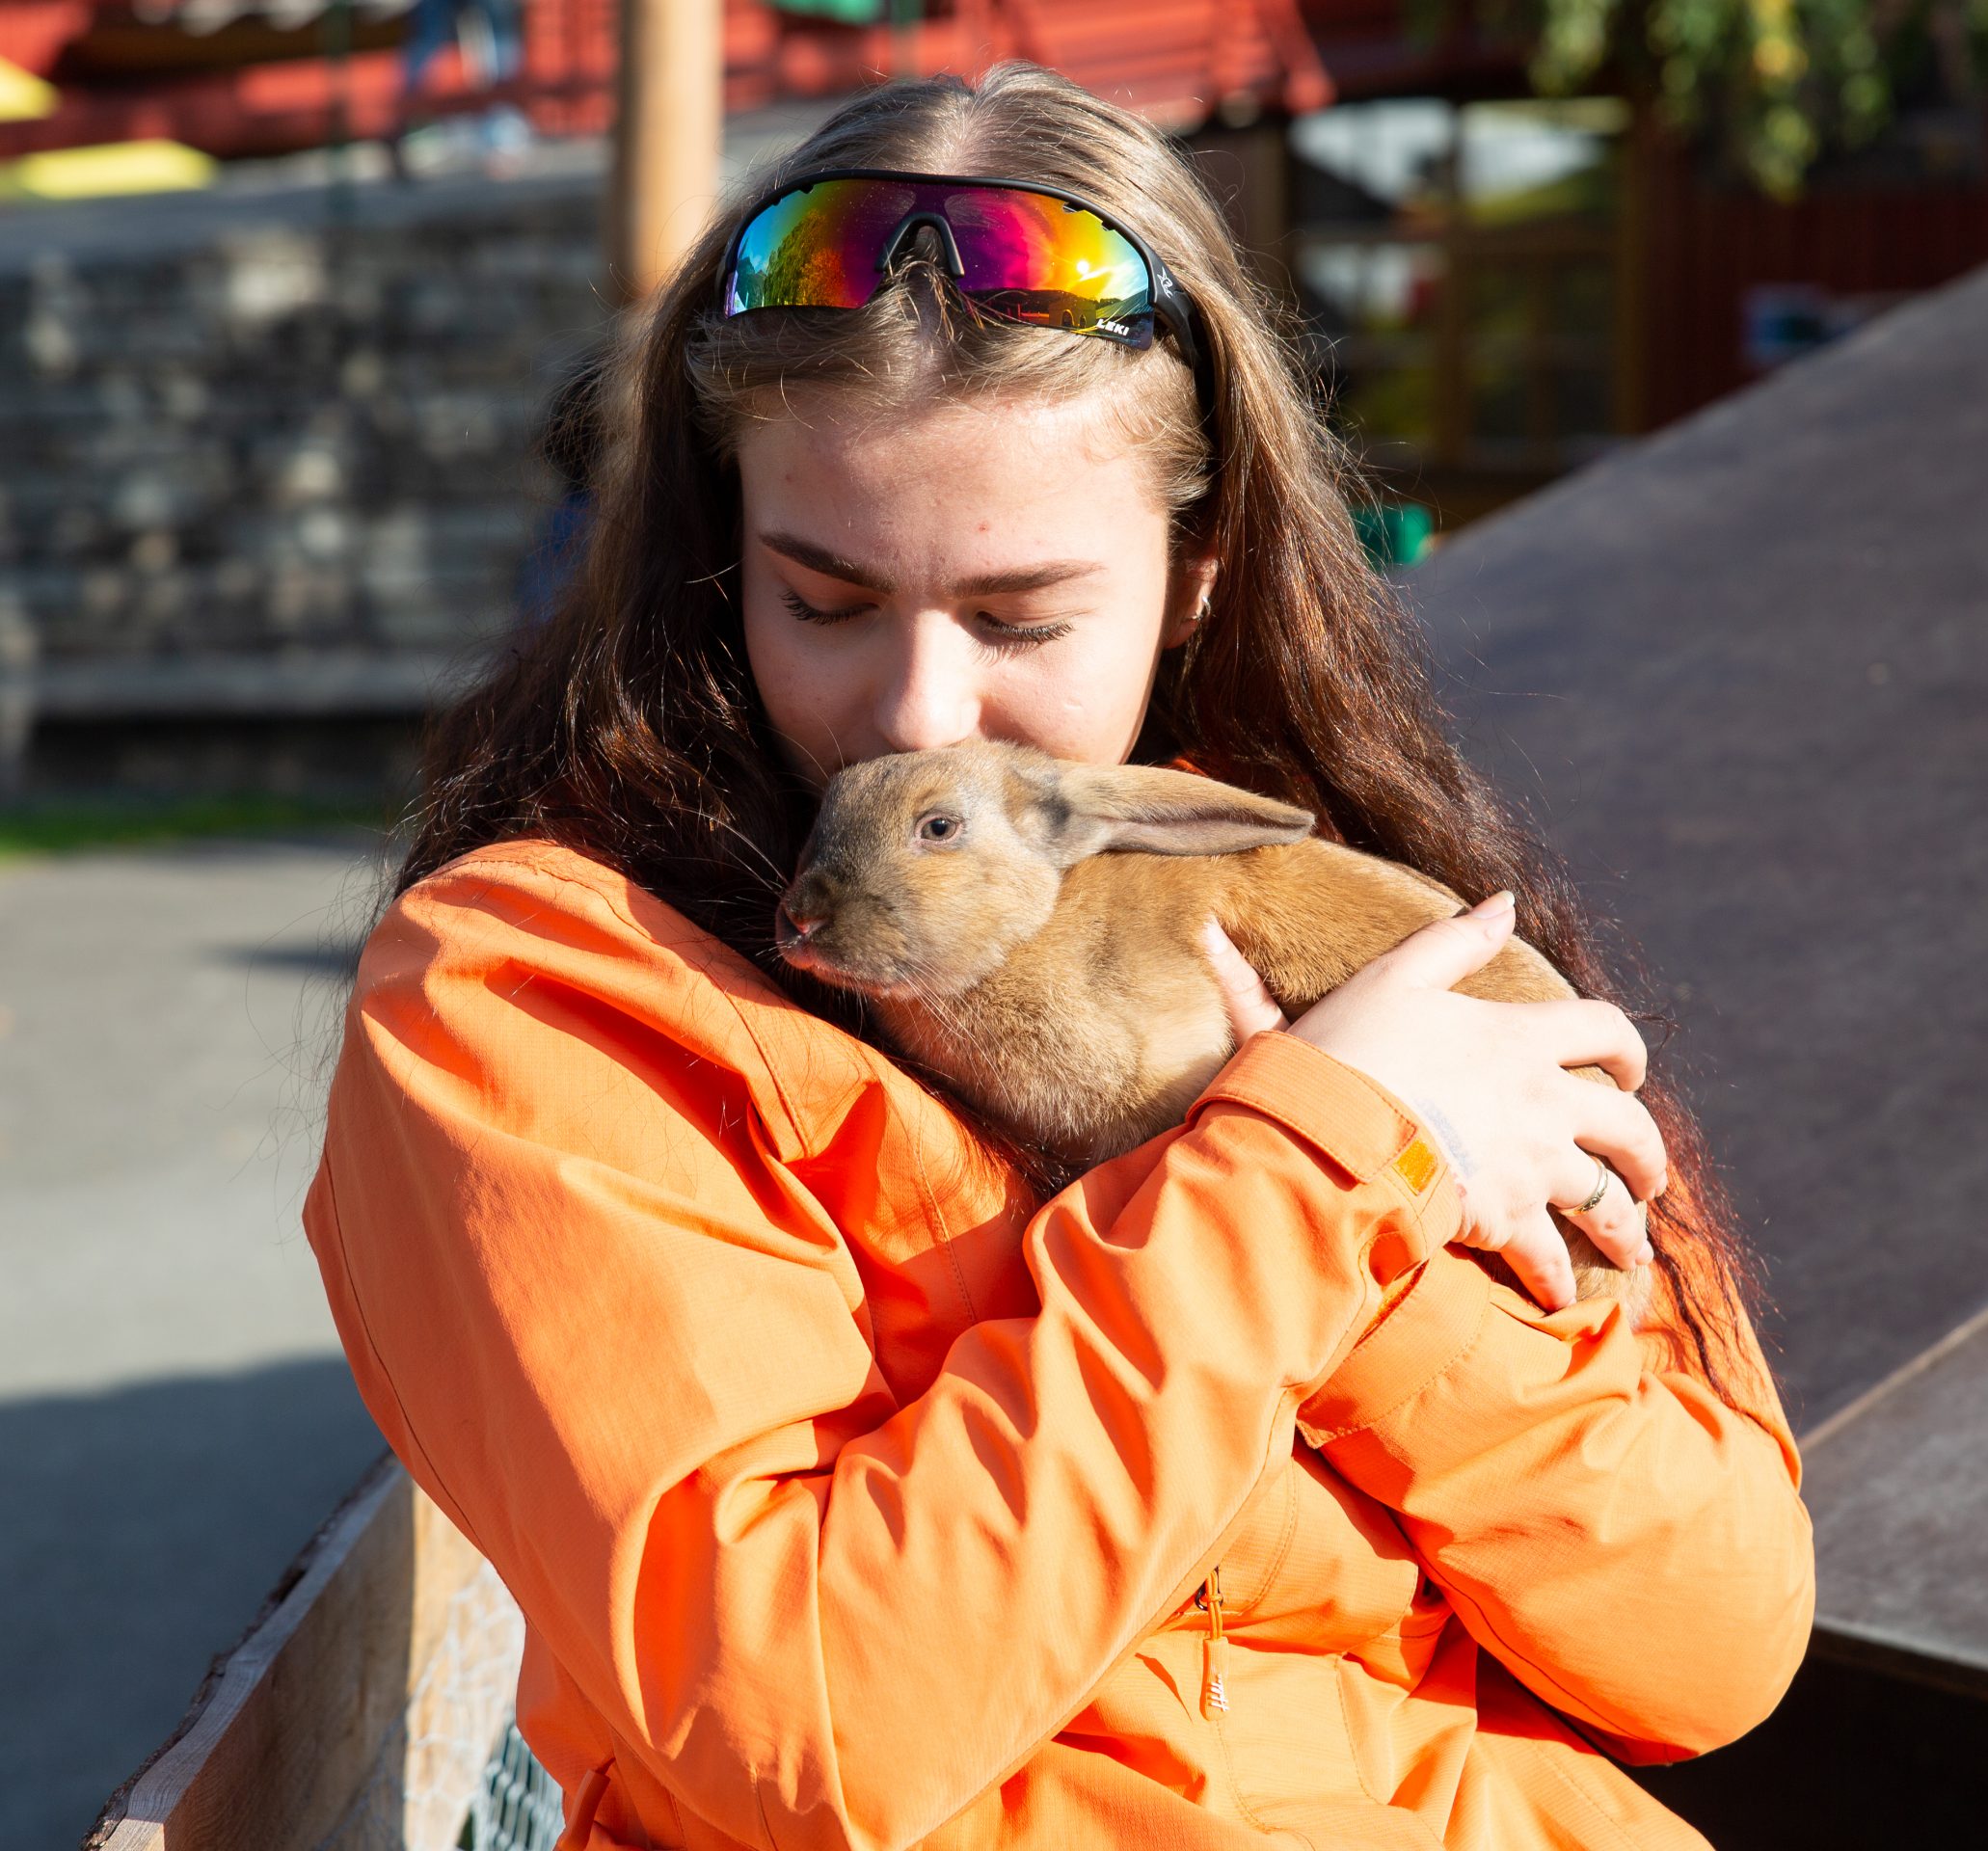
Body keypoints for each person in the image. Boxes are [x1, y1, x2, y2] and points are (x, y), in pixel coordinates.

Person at [307, 64, 1813, 1851]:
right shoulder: (545, 995)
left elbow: (1709, 1647)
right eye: (826, 598)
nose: (918, 712)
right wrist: (1303, 1178)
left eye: (1022, 614)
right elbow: (805, 1730)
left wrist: (1394, 1247)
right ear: (718, 555)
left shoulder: (1361, 932)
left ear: (1197, 573)